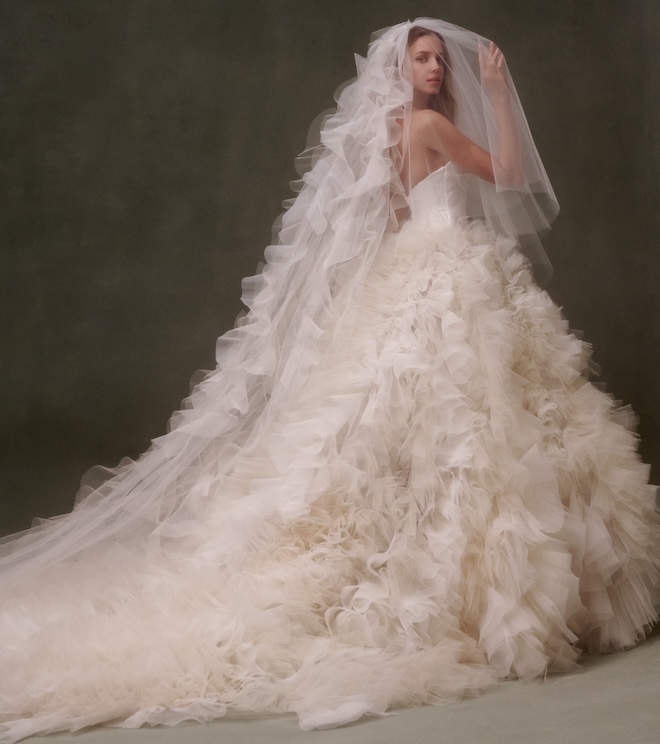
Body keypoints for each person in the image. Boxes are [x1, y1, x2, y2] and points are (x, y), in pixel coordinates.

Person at [0, 17, 658, 743]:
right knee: (480, 422)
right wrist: (499, 95)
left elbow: (386, 222)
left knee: (419, 430)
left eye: (441, 59)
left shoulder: (383, 138)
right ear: (400, 70)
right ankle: (469, 583)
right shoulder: (429, 131)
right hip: (448, 278)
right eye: (424, 59)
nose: (437, 69)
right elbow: (507, 173)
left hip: (404, 278)